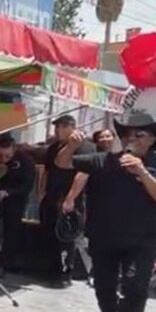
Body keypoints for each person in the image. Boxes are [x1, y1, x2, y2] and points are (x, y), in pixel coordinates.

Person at [56, 112, 156, 312]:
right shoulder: (104, 160)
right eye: (126, 134)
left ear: (152, 138)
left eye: (138, 134)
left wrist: (143, 173)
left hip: (141, 240)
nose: (130, 138)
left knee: (135, 289)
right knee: (104, 288)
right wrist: (71, 145)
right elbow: (63, 163)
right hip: (103, 237)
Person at [38, 116, 93, 287]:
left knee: (65, 236)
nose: (58, 130)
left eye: (62, 127)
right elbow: (47, 171)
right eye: (56, 127)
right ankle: (51, 270)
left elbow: (82, 175)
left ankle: (64, 273)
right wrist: (41, 193)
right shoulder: (54, 148)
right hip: (52, 195)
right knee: (49, 234)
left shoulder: (85, 147)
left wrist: (70, 199)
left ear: (72, 127)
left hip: (70, 197)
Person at [0, 134, 35, 272]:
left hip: (15, 198)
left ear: (14, 150)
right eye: (0, 155)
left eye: (7, 156)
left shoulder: (25, 161)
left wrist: (8, 192)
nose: (3, 159)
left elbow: (27, 186)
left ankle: (4, 262)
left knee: (11, 231)